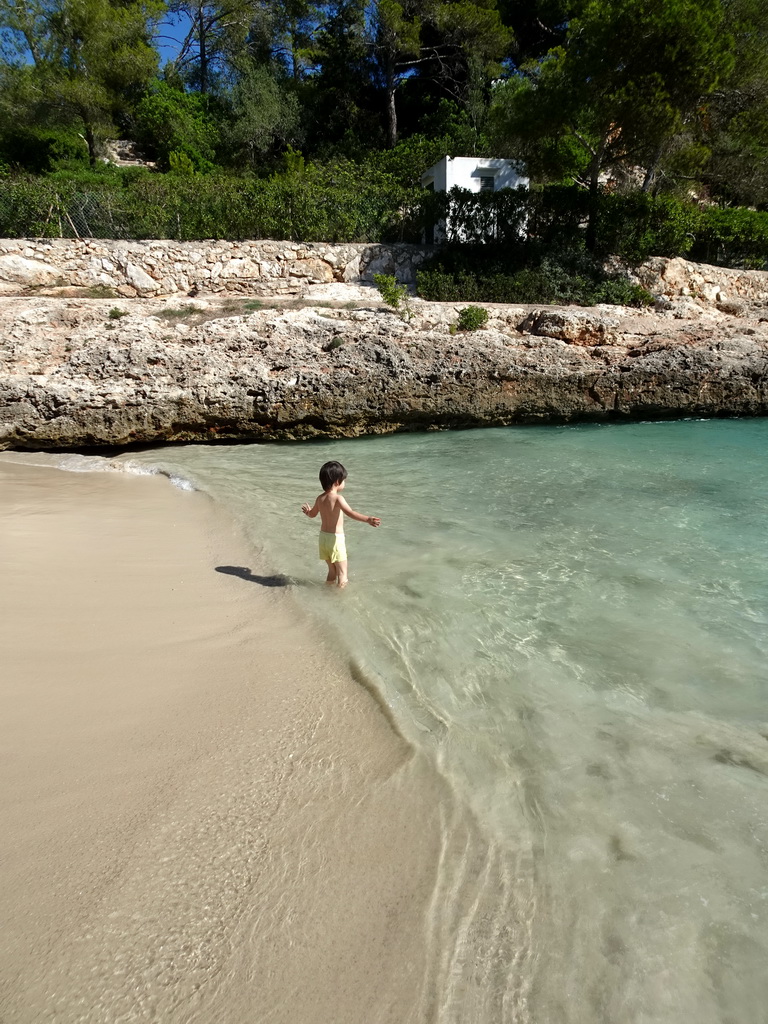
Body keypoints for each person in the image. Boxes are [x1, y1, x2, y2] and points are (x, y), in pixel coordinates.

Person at [301, 461, 380, 588]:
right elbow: (350, 513)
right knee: (342, 573)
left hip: (323, 539)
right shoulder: (338, 498)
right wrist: (367, 519)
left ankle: (327, 592)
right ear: (337, 482)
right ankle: (339, 599)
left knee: (332, 571)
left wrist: (307, 512)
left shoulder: (319, 498)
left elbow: (312, 515)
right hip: (335, 540)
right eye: (344, 480)